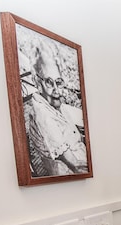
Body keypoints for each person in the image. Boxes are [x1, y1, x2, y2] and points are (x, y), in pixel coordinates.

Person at [25, 42, 88, 176]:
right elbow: (75, 165)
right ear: (37, 81)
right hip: (67, 173)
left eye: (58, 82)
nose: (56, 90)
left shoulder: (54, 104)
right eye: (49, 82)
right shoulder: (42, 114)